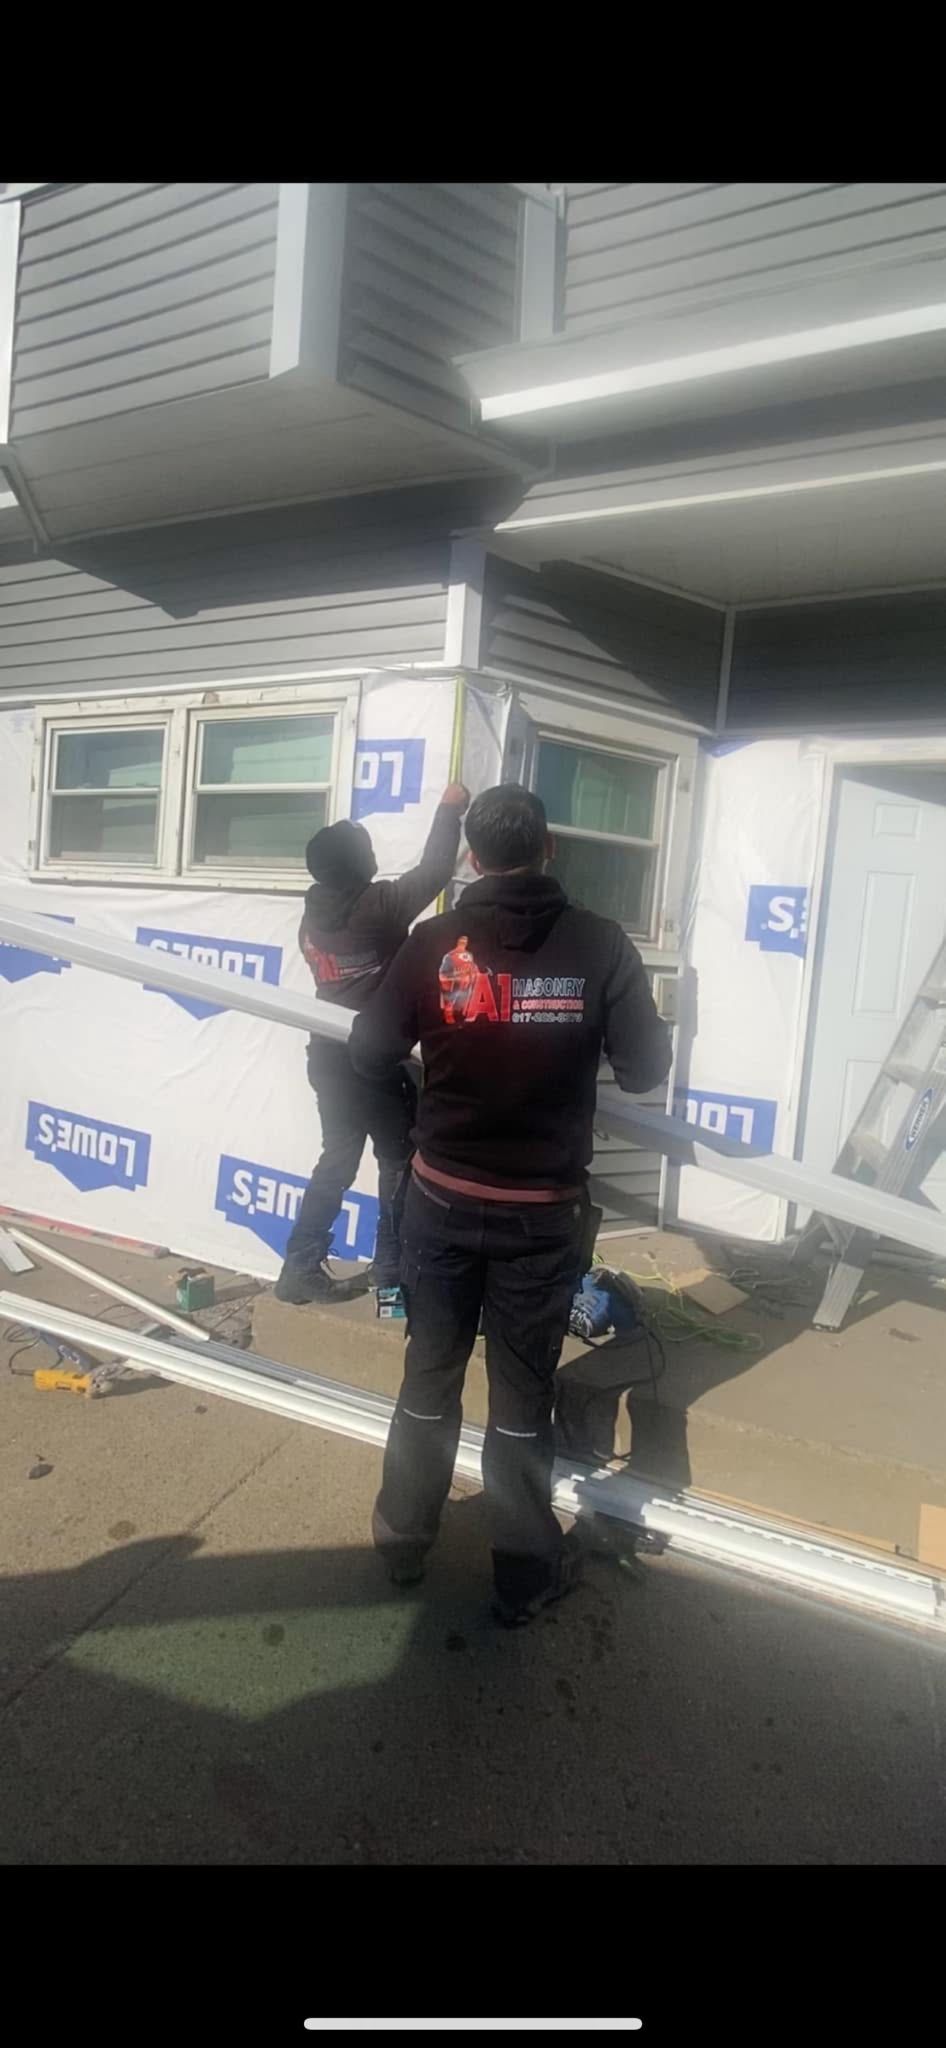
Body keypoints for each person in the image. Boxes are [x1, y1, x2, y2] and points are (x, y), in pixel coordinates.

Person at [349, 782, 673, 1625]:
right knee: (522, 1394)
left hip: (444, 1200)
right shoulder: (603, 946)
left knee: (430, 1372)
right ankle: (524, 1575)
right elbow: (646, 1068)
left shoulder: (432, 943)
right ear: (549, 850)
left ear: (470, 857)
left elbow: (371, 1048)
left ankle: (403, 1542)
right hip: (541, 1215)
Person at [275, 782, 470, 1305]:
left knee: (337, 1157)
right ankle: (390, 1273)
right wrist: (450, 809)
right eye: (365, 851)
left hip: (327, 1053)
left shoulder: (315, 911)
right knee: (396, 1157)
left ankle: (298, 1266)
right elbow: (433, 870)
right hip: (374, 1057)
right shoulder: (377, 906)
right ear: (356, 864)